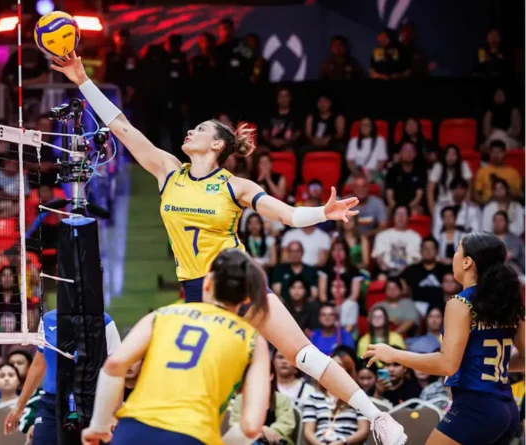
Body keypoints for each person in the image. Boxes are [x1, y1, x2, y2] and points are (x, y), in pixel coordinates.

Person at [53, 53, 405, 445]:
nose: (191, 131)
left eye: (200, 129)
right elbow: (121, 126)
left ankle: (378, 418)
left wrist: (323, 213)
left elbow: (287, 215)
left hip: (237, 283)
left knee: (303, 354)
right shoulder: (167, 170)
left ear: (217, 144)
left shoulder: (235, 186)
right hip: (196, 289)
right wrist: (82, 79)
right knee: (193, 382)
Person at [81, 249, 271, 445]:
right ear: (247, 298)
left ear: (207, 283)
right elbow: (251, 427)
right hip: (192, 435)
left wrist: (99, 426)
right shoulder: (253, 340)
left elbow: (114, 365)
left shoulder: (163, 314)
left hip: (133, 430)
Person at [365, 232, 525, 445]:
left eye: (458, 250)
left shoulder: (461, 303)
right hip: (507, 409)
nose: (453, 256)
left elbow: (446, 364)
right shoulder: (509, 301)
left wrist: (394, 354)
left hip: (475, 407)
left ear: (467, 262)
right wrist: (486, 365)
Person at [3, 309, 120, 445]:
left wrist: (114, 413)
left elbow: (117, 369)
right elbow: (38, 365)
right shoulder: (47, 319)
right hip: (51, 404)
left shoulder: (104, 321)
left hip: (89, 405)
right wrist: (20, 406)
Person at [302, 349, 370, 445]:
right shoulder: (313, 398)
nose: (333, 369)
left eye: (339, 366)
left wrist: (342, 442)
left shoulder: (358, 397)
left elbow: (363, 432)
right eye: (330, 366)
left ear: (348, 371)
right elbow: (308, 432)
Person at [229, 365, 297, 445]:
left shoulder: (283, 399)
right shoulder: (241, 398)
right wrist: (261, 430)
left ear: (271, 376)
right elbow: (235, 424)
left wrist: (268, 432)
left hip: (276, 441)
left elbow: (286, 424)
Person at [401, 237, 450, 313]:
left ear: (437, 251)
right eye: (425, 248)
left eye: (431, 248)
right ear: (420, 251)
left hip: (441, 309)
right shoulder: (411, 270)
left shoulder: (445, 269)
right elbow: (400, 282)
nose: (428, 251)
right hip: (417, 309)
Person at [372, 206, 422, 277]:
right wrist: (384, 267)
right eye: (398, 214)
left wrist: (406, 268)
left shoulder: (416, 237)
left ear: (409, 217)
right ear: (393, 217)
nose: (400, 217)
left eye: (404, 214)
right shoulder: (382, 235)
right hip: (387, 271)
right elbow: (378, 256)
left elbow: (417, 258)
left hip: (409, 272)